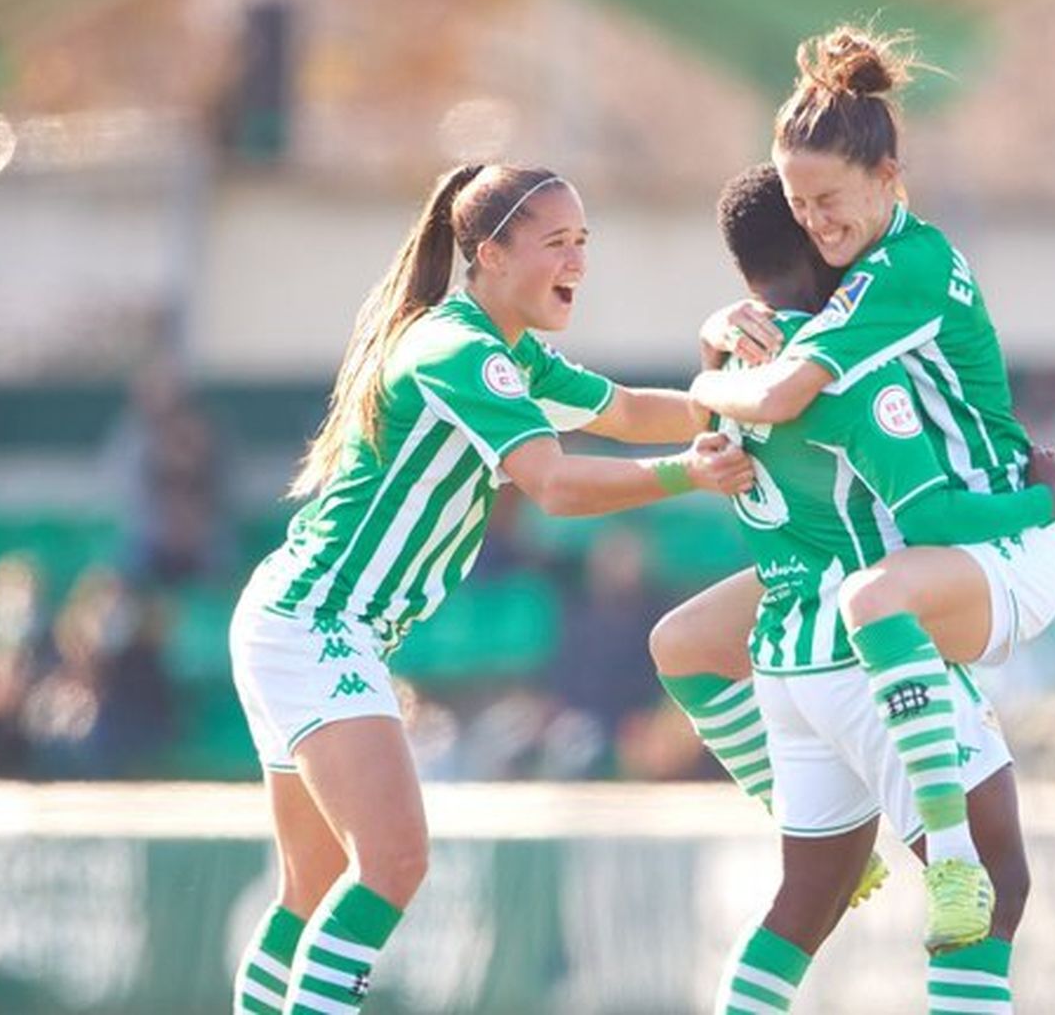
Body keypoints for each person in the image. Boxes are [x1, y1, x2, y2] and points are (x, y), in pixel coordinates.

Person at [227, 164, 754, 1015]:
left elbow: (621, 410)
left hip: (297, 619)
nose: (577, 259)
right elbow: (554, 486)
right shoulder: (459, 349)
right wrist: (689, 476)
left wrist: (747, 399)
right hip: (315, 625)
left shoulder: (504, 350)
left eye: (583, 241)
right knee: (391, 864)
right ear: (489, 254)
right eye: (555, 242)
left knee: (313, 884)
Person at [681, 25, 1055, 960]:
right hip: (906, 553)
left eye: (830, 199)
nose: (817, 221)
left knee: (987, 889)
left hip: (990, 542)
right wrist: (709, 350)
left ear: (890, 176)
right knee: (689, 641)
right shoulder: (850, 288)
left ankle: (943, 859)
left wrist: (701, 383)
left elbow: (780, 398)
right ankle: (835, 829)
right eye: (798, 203)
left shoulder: (903, 273)